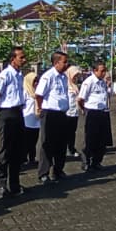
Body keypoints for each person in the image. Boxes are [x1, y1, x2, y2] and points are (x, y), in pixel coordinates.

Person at [0, 47, 27, 198]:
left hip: (18, 112)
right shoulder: (5, 75)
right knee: (5, 150)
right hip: (7, 112)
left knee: (17, 150)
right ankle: (1, 184)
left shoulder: (19, 75)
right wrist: (3, 111)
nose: (24, 60)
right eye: (21, 57)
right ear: (13, 59)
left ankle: (14, 183)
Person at [35, 52, 72, 184]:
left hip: (62, 114)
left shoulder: (63, 77)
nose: (67, 64)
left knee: (61, 143)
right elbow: (39, 94)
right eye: (65, 62)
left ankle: (58, 170)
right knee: (48, 144)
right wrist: (39, 108)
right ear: (56, 63)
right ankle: (43, 173)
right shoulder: (48, 76)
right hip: (50, 113)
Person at [78, 62, 112, 171]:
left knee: (102, 140)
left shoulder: (103, 82)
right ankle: (86, 162)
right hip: (92, 112)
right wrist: (84, 109)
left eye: (104, 71)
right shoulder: (89, 82)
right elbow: (81, 99)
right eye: (101, 71)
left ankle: (97, 161)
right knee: (90, 139)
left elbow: (106, 96)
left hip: (102, 112)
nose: (103, 73)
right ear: (95, 71)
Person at [64, 65, 83, 162]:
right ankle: (66, 148)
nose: (76, 78)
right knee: (65, 132)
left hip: (74, 112)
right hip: (66, 112)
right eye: (74, 76)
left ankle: (71, 148)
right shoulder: (66, 85)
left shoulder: (75, 86)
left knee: (72, 132)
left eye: (77, 76)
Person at [22, 72, 41, 167]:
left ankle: (32, 158)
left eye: (37, 81)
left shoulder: (38, 92)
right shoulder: (25, 92)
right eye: (34, 81)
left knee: (34, 141)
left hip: (36, 121)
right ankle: (23, 158)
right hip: (27, 121)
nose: (36, 83)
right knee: (25, 141)